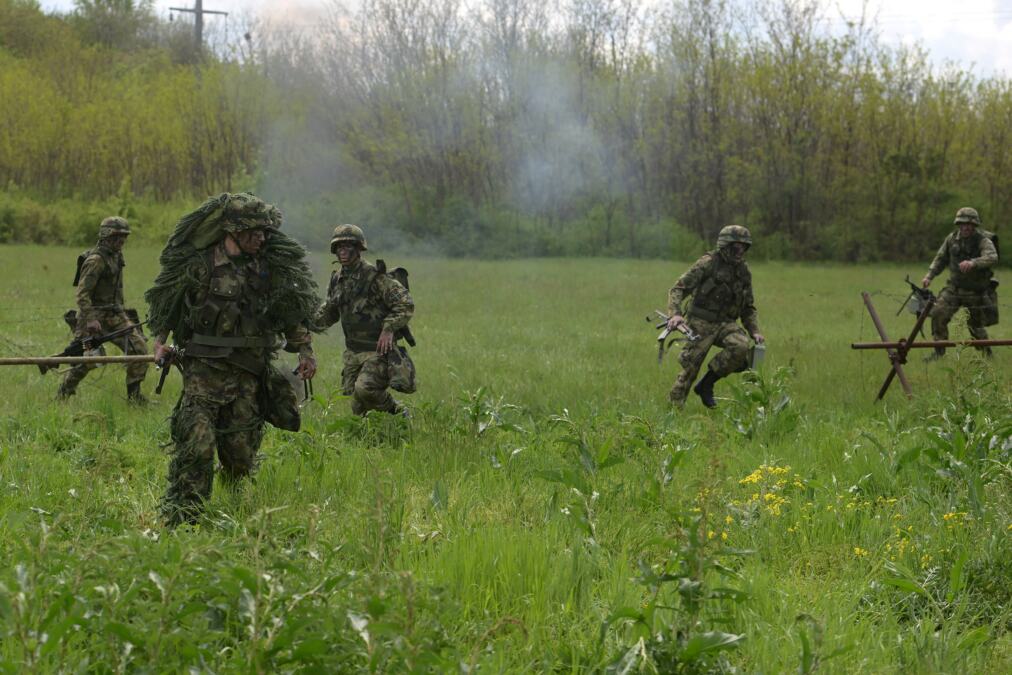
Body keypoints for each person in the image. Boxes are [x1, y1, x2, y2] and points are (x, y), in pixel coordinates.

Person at [145, 193, 319, 527]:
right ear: (232, 232)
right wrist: (159, 344)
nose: (261, 237)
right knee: (198, 447)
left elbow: (292, 314)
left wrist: (306, 352)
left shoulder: (269, 270)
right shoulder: (200, 267)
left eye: (264, 232)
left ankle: (235, 505)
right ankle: (184, 519)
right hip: (203, 374)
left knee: (240, 457)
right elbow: (169, 306)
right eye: (253, 231)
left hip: (247, 376)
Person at [316, 224, 414, 416]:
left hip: (378, 350)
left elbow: (405, 302)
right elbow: (330, 312)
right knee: (358, 405)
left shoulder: (375, 276)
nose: (343, 250)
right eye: (339, 246)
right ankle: (371, 438)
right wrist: (308, 323)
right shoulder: (338, 279)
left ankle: (399, 411)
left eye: (348, 245)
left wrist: (389, 328)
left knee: (365, 389)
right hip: (353, 351)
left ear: (359, 248)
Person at [666, 225, 764, 408]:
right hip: (700, 322)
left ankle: (706, 384)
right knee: (690, 368)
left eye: (744, 247)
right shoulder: (707, 263)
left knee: (740, 347)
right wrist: (676, 315)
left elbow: (748, 306)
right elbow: (678, 289)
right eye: (736, 246)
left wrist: (754, 330)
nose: (740, 251)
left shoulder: (743, 271)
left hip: (725, 323)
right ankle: (673, 411)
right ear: (725, 245)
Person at [58, 216, 149, 403]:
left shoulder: (116, 256)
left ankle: (134, 397)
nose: (121, 241)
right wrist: (90, 319)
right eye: (117, 236)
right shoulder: (96, 260)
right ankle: (63, 394)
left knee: (139, 350)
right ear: (106, 236)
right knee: (87, 360)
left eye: (124, 236)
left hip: (114, 315)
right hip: (93, 319)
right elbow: (82, 293)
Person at [921, 207, 999, 360]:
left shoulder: (983, 240)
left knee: (975, 327)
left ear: (975, 225)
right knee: (938, 313)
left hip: (975, 292)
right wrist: (929, 276)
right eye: (962, 223)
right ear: (958, 224)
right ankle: (939, 353)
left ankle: (987, 355)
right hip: (954, 289)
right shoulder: (951, 239)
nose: (966, 227)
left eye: (969, 224)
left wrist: (974, 262)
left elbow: (992, 257)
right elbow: (940, 259)